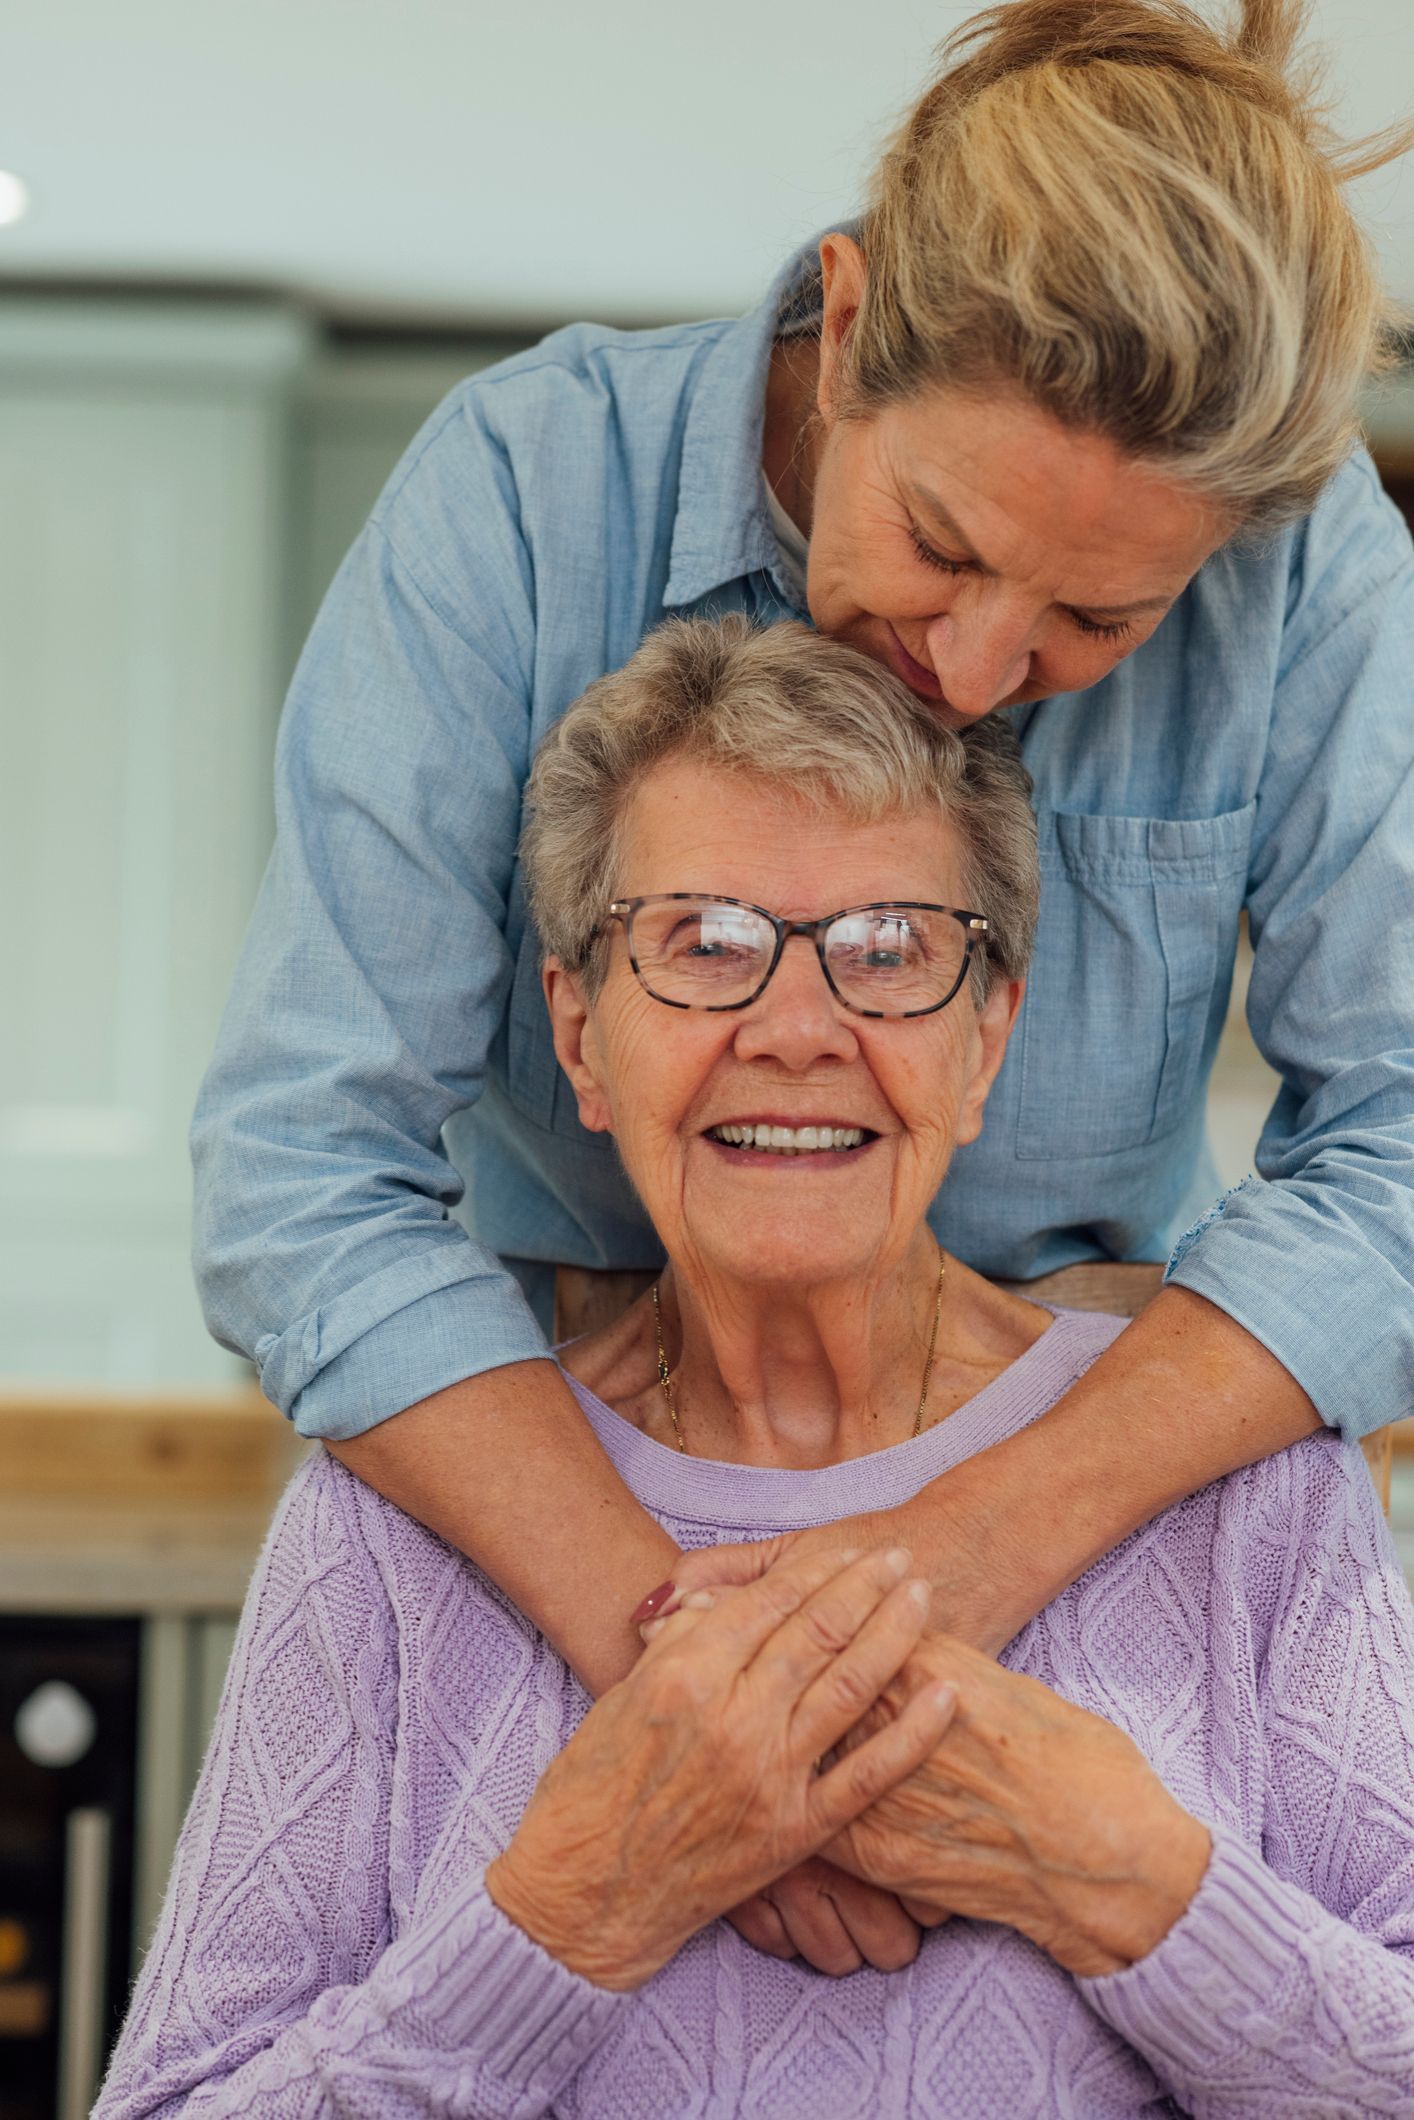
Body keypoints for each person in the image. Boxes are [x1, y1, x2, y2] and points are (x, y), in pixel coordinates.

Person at [192, 0, 1414, 1965]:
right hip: (564, 1503)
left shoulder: (1310, 570)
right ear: (841, 330)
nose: (979, 669)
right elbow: (300, 1169)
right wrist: (712, 1695)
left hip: (1092, 1490)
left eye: (1100, 618)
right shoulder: (522, 489)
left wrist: (959, 1549)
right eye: (938, 543)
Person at [102, 623, 1414, 2116]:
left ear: (986, 1041)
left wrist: (1121, 1878)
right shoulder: (390, 1524)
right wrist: (574, 1905)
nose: (796, 1031)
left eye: (890, 950)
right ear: (581, 1035)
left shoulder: (1247, 1490)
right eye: (705, 944)